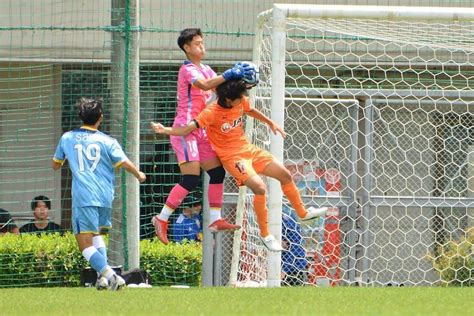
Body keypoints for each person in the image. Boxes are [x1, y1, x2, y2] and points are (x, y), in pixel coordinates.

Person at [150, 79, 328, 252]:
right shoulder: (211, 113)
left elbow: (251, 110)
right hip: (233, 158)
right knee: (260, 188)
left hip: (248, 150)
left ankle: (303, 213)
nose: (242, 101)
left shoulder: (240, 100)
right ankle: (266, 235)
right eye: (239, 99)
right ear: (228, 100)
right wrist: (165, 130)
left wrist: (271, 123)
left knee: (284, 175)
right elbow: (187, 129)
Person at [151, 28, 255, 245]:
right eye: (196, 43)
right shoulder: (187, 69)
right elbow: (205, 85)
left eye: (202, 42)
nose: (201, 46)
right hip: (186, 129)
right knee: (190, 178)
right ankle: (161, 219)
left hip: (203, 130)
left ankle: (215, 219)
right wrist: (229, 73)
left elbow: (220, 91)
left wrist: (243, 82)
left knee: (217, 173)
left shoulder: (207, 69)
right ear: (187, 48)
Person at [52, 97, 146, 291]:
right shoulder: (107, 140)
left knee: (84, 243)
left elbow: (55, 164)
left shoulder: (67, 138)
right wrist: (139, 174)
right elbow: (125, 162)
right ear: (100, 118)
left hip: (84, 196)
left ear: (80, 116)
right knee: (96, 235)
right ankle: (101, 279)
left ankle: (112, 277)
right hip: (105, 196)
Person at [281, 211, 308, 286]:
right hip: (280, 265)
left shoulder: (288, 221)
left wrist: (284, 270)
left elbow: (295, 249)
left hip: (294, 267)